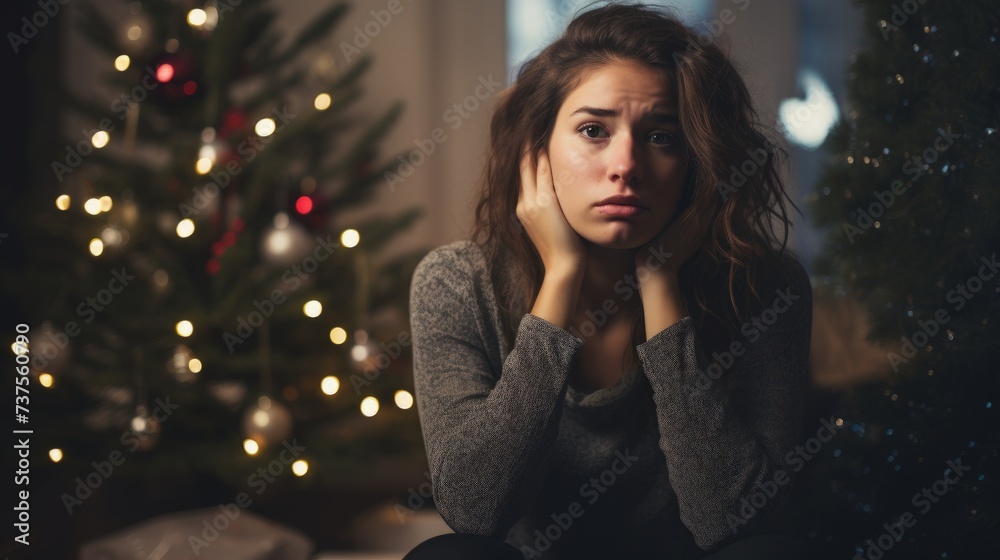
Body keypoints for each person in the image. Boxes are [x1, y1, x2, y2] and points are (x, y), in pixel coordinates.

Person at [404, 3, 821, 559]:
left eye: (662, 137)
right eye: (593, 130)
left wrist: (661, 284)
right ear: (538, 152)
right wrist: (562, 278)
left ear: (698, 162)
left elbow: (738, 519)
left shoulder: (766, 287)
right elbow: (476, 512)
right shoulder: (456, 282)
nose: (625, 164)